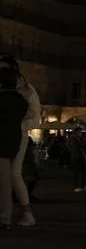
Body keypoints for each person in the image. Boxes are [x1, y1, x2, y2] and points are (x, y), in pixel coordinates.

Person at [0, 56, 40, 225]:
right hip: (7, 134)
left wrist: (16, 124)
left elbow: (35, 119)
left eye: (4, 69)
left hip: (17, 134)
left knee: (14, 173)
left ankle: (26, 213)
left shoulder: (28, 91)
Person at [0, 66, 30, 229]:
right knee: (5, 179)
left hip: (2, 142)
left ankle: (4, 217)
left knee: (3, 182)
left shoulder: (3, 100)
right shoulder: (21, 101)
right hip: (13, 141)